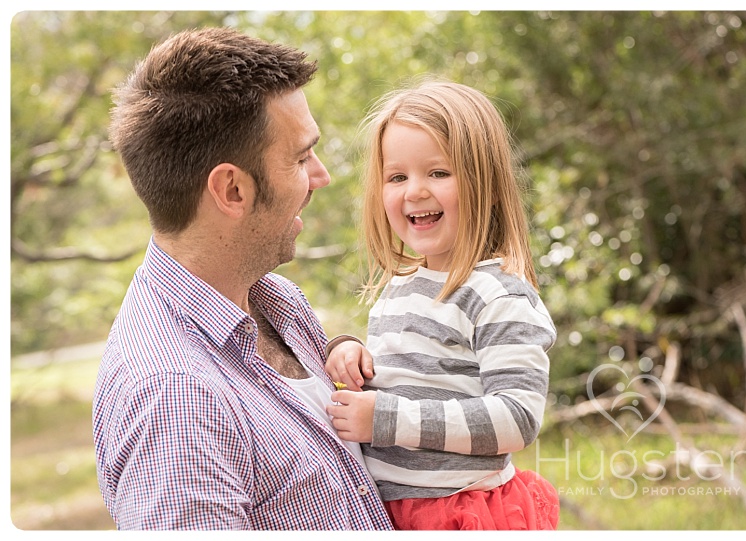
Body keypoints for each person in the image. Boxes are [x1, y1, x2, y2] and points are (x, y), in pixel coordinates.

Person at [92, 27, 393, 530]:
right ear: (232, 189)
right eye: (300, 158)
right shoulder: (176, 401)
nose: (321, 176)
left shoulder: (275, 300)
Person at [324, 80, 560, 530]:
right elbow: (409, 375)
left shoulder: (498, 295)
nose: (414, 191)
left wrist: (387, 419)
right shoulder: (400, 287)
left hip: (460, 512)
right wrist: (352, 353)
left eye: (438, 173)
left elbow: (517, 418)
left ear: (487, 186)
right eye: (397, 177)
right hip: (391, 513)